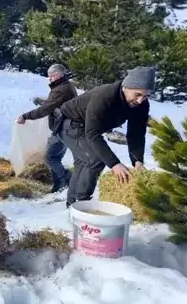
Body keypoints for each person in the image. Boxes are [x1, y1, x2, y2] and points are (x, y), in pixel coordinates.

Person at [55, 66, 154, 208]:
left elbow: (136, 133)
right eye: (137, 94)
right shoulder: (105, 95)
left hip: (87, 127)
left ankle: (71, 204)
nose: (140, 100)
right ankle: (82, 204)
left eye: (145, 96)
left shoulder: (141, 105)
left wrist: (137, 160)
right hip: (70, 123)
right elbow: (92, 133)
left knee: (83, 164)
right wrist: (114, 164)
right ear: (126, 87)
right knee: (95, 161)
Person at [17, 64, 77, 193]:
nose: (49, 78)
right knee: (56, 157)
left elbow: (45, 109)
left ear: (59, 74)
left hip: (63, 128)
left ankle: (67, 176)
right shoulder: (66, 85)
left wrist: (26, 116)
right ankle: (58, 185)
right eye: (49, 75)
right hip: (66, 126)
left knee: (50, 157)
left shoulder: (60, 90)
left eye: (52, 75)